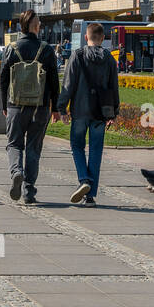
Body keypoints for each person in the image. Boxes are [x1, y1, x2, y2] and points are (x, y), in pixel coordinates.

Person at [0, 10, 61, 204]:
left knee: (14, 144)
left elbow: (3, 78)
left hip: (15, 105)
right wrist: (55, 108)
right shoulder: (46, 49)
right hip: (39, 107)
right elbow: (53, 81)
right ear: (35, 26)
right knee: (34, 149)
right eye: (39, 23)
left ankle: (17, 171)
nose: (40, 25)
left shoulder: (11, 48)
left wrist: (4, 105)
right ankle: (29, 191)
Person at [56, 22, 118, 207]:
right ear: (103, 39)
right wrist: (114, 112)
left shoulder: (78, 55)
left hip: (80, 111)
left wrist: (61, 108)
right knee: (96, 151)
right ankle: (90, 196)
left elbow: (68, 84)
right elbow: (114, 87)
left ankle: (84, 180)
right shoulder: (109, 58)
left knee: (76, 146)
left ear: (86, 37)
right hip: (101, 112)